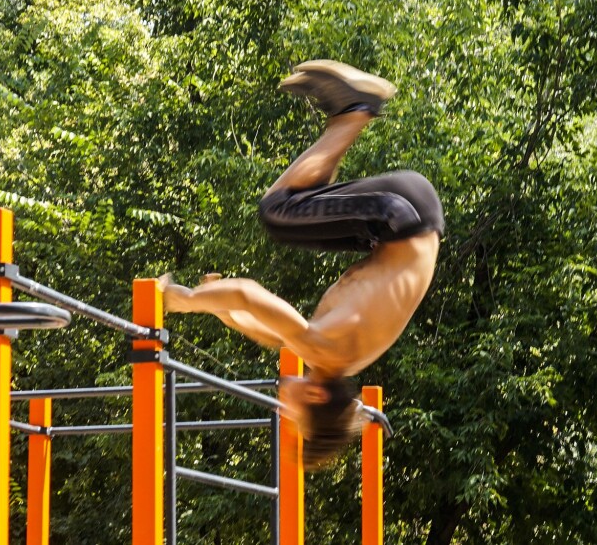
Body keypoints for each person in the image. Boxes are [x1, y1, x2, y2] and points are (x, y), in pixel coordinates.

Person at [161, 60, 443, 469]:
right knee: (278, 212)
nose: (281, 411)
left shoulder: (333, 356)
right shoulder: (325, 350)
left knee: (293, 215)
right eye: (294, 417)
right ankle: (355, 111)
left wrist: (222, 310)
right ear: (314, 396)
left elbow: (269, 330)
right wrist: (185, 300)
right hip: (401, 214)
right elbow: (248, 293)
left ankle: (348, 114)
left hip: (400, 226)